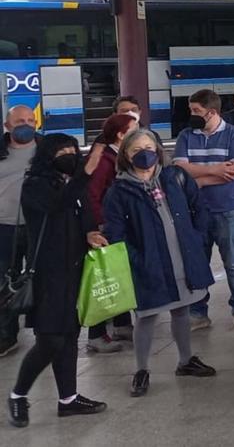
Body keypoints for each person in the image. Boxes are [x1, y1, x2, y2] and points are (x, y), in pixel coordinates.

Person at [102, 130, 217, 397]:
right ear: (126, 156)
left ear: (157, 149)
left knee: (181, 310)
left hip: (182, 257)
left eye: (149, 147)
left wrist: (197, 236)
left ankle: (186, 360)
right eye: (136, 150)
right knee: (146, 316)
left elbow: (199, 206)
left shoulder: (173, 177)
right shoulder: (119, 190)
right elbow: (115, 233)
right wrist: (137, 260)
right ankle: (141, 370)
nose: (144, 153)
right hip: (149, 263)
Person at [9, 134, 107, 427]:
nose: (69, 154)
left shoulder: (72, 183)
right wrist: (86, 172)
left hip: (76, 269)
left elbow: (84, 214)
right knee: (50, 339)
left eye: (72, 150)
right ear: (46, 155)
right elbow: (56, 207)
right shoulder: (36, 185)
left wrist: (90, 232)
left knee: (69, 337)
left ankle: (68, 399)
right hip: (49, 274)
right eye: (61, 151)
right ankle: (17, 396)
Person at [173, 89, 234, 333]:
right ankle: (198, 312)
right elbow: (180, 170)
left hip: (228, 208)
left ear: (212, 112)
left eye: (196, 111)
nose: (192, 115)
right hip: (195, 211)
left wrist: (199, 180)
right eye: (191, 110)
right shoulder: (186, 135)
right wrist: (217, 171)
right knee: (198, 262)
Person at [82, 113, 139, 354]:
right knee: (104, 279)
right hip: (105, 228)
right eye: (134, 129)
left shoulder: (119, 157)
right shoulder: (105, 161)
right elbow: (92, 196)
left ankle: (122, 324)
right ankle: (96, 334)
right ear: (121, 134)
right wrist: (97, 226)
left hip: (119, 225)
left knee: (119, 274)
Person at [0, 106, 38, 357]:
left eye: (30, 120)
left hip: (39, 224)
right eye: (19, 121)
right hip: (4, 226)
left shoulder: (47, 148)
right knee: (4, 281)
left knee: (41, 278)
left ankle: (43, 331)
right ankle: (6, 334)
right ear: (7, 125)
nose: (26, 124)